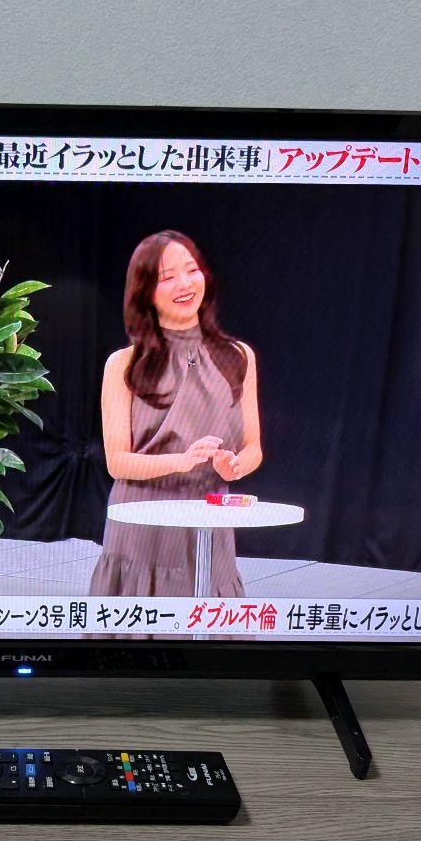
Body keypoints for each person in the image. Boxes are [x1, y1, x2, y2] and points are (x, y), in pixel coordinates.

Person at [89, 230, 262, 602]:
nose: (185, 284)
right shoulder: (123, 364)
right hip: (143, 520)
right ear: (145, 292)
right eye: (167, 277)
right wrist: (180, 462)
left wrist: (235, 466)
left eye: (191, 270)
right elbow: (117, 462)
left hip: (209, 515)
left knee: (206, 612)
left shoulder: (238, 356)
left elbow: (254, 448)